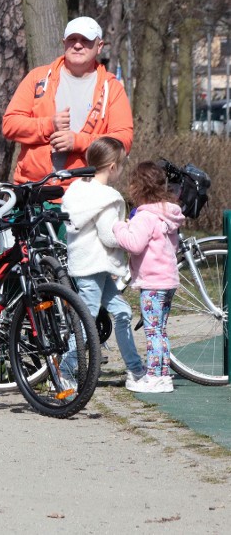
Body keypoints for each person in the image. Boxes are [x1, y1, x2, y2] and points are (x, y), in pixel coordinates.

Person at [2, 16, 133, 188]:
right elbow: (10, 124)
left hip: (85, 191)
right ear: (64, 42)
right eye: (72, 39)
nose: (77, 45)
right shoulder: (38, 78)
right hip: (33, 190)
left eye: (85, 40)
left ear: (99, 46)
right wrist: (49, 125)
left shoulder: (112, 88)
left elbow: (123, 140)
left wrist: (78, 142)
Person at [60, 137, 146, 387]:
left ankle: (135, 368)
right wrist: (128, 230)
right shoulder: (107, 198)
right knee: (87, 319)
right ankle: (65, 370)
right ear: (112, 167)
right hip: (95, 266)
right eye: (121, 165)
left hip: (89, 265)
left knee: (122, 312)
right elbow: (110, 236)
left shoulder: (78, 189)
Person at [113, 162, 184, 393]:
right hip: (168, 280)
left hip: (153, 283)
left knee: (152, 332)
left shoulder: (145, 217)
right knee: (160, 330)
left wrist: (119, 228)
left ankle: (154, 377)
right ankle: (163, 375)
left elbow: (134, 245)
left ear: (137, 188)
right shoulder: (167, 213)